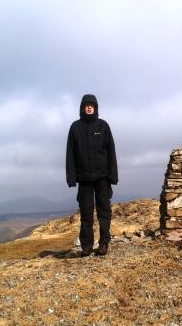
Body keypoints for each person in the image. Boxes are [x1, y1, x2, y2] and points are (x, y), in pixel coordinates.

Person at [66, 94, 118, 257]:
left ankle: (103, 244)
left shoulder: (103, 126)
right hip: (84, 180)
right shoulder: (75, 127)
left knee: (104, 212)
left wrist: (112, 177)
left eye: (92, 105)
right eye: (86, 105)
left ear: (95, 108)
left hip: (102, 178)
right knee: (86, 213)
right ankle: (86, 246)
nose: (89, 107)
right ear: (82, 108)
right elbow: (70, 154)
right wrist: (71, 177)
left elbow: (111, 153)